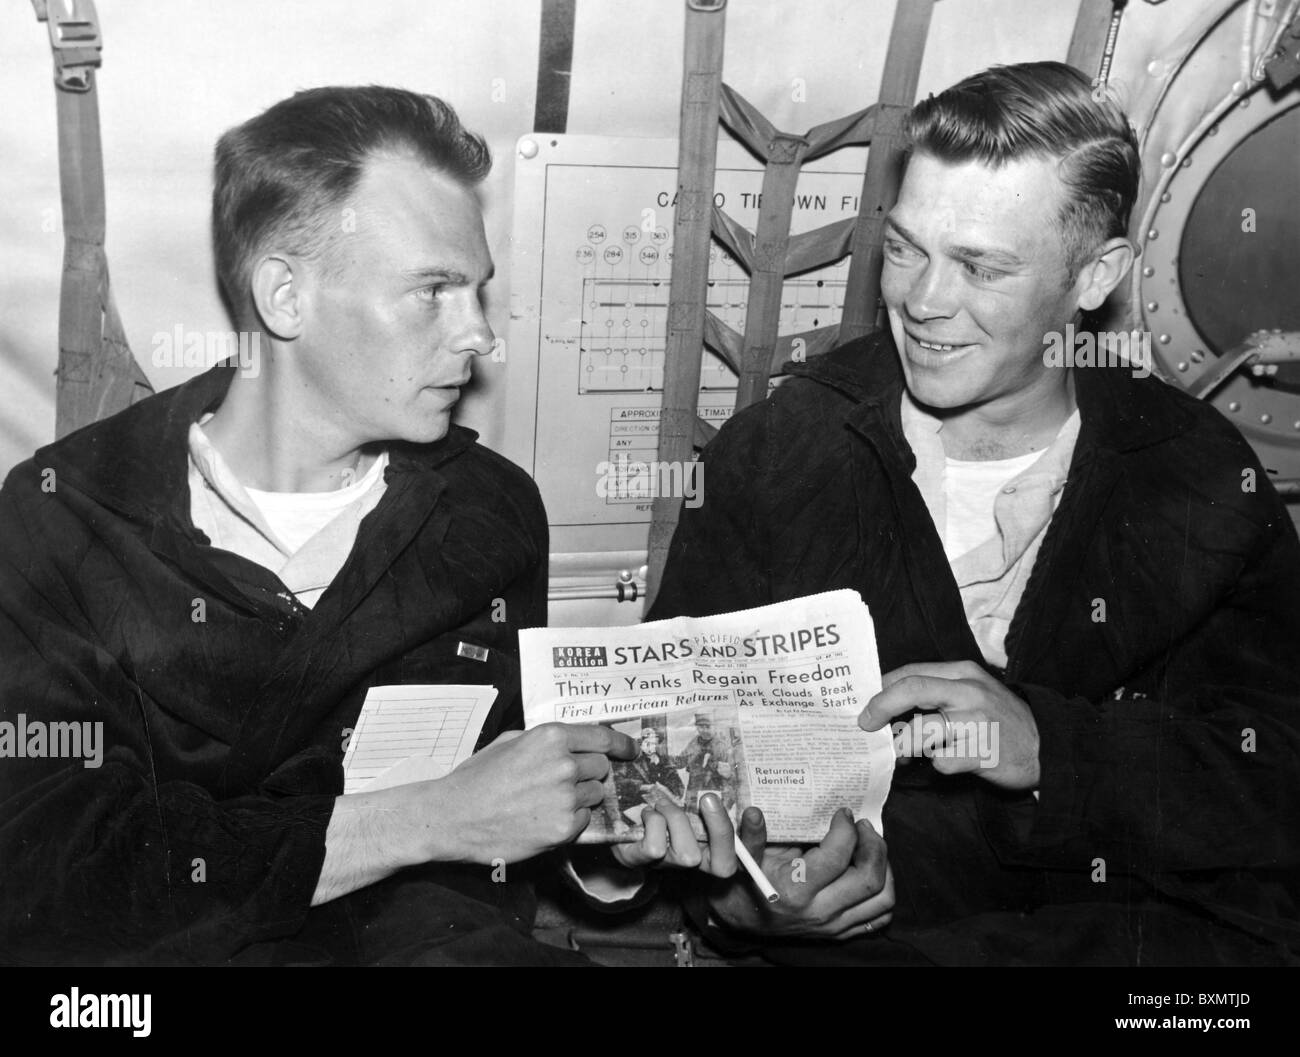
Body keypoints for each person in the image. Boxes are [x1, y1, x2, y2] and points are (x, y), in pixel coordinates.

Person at [0, 86, 731, 967]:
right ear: (285, 296)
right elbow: (60, 886)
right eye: (433, 290)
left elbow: (503, 837)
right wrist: (430, 818)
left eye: (478, 292)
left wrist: (606, 852)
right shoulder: (64, 518)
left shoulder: (488, 514)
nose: (481, 336)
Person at [650, 61, 1300, 965]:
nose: (922, 302)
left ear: (1095, 276)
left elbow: (1273, 777)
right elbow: (673, 770)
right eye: (907, 247)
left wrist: (1052, 748)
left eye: (981, 266)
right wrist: (743, 906)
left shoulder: (1194, 475)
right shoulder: (774, 456)